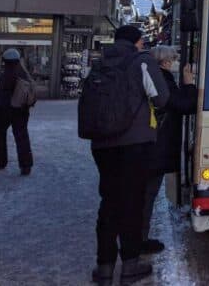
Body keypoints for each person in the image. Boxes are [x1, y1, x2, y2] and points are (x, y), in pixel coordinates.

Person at [91, 26, 169, 286]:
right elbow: (161, 98)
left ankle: (104, 267)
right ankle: (130, 266)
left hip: (102, 144)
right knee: (132, 204)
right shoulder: (141, 61)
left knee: (109, 202)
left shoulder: (101, 63)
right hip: (135, 143)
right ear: (137, 42)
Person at [141, 45, 197, 255]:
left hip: (148, 145)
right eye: (173, 59)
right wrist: (189, 84)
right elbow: (184, 105)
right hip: (155, 147)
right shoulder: (162, 80)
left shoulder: (155, 78)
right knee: (146, 195)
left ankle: (138, 238)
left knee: (145, 195)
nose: (174, 62)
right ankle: (139, 241)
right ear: (164, 62)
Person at [0, 49, 33, 175]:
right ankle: (26, 166)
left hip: (5, 111)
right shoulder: (24, 73)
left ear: (6, 61)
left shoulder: (6, 74)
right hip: (22, 110)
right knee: (22, 137)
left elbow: (0, 96)